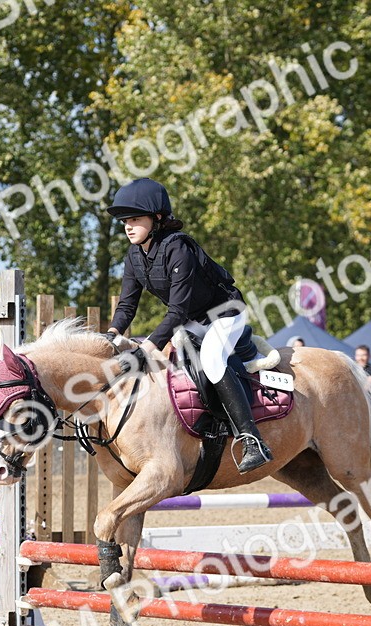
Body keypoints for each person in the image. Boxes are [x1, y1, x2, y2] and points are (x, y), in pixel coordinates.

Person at [105, 178, 273, 473]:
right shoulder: (134, 256)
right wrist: (112, 334)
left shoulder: (178, 248)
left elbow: (177, 310)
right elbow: (127, 305)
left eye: (135, 220)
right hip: (193, 321)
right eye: (124, 221)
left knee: (209, 358)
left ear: (157, 219)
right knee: (176, 364)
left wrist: (148, 345)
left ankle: (252, 440)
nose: (127, 227)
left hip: (225, 314)